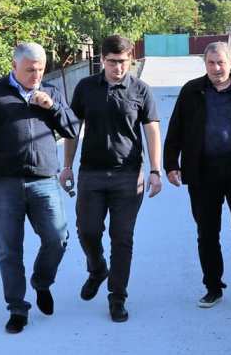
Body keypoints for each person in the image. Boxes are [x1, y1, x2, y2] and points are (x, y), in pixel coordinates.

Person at [0, 42, 79, 334]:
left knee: (58, 238)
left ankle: (41, 281)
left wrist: (52, 107)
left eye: (40, 69)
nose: (36, 75)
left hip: (43, 181)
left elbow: (72, 130)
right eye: (30, 70)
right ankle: (17, 308)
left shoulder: (51, 92)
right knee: (8, 250)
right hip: (3, 183)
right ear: (14, 66)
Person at [59, 35, 162, 323]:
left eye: (124, 62)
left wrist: (155, 170)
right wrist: (67, 166)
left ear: (131, 60)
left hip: (128, 176)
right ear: (102, 60)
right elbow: (72, 129)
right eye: (113, 62)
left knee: (122, 238)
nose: (119, 67)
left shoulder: (141, 90)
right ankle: (97, 269)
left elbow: (152, 130)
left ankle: (117, 297)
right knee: (87, 230)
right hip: (91, 173)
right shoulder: (86, 88)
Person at [163, 41, 231, 311]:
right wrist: (171, 164)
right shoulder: (191, 91)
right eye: (211, 63)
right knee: (207, 232)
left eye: (221, 63)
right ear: (205, 64)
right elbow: (175, 129)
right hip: (202, 173)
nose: (217, 68)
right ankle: (213, 288)